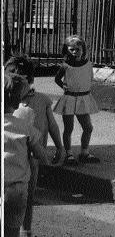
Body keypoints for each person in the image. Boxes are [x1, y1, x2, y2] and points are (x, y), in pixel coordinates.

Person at [5, 55, 63, 237]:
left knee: (29, 195)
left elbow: (52, 125)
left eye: (21, 82)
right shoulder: (9, 101)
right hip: (15, 161)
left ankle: (26, 230)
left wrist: (60, 147)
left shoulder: (41, 100)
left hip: (31, 159)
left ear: (30, 81)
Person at [4, 73, 48, 237]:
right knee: (12, 230)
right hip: (17, 189)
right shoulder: (25, 127)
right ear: (17, 103)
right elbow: (41, 156)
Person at [53, 34, 100, 166]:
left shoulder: (88, 64)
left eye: (78, 49)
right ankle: (69, 154)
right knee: (69, 128)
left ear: (83, 50)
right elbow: (57, 79)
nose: (74, 52)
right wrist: (65, 87)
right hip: (69, 98)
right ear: (66, 50)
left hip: (83, 99)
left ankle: (84, 152)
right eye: (71, 49)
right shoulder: (65, 66)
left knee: (88, 127)